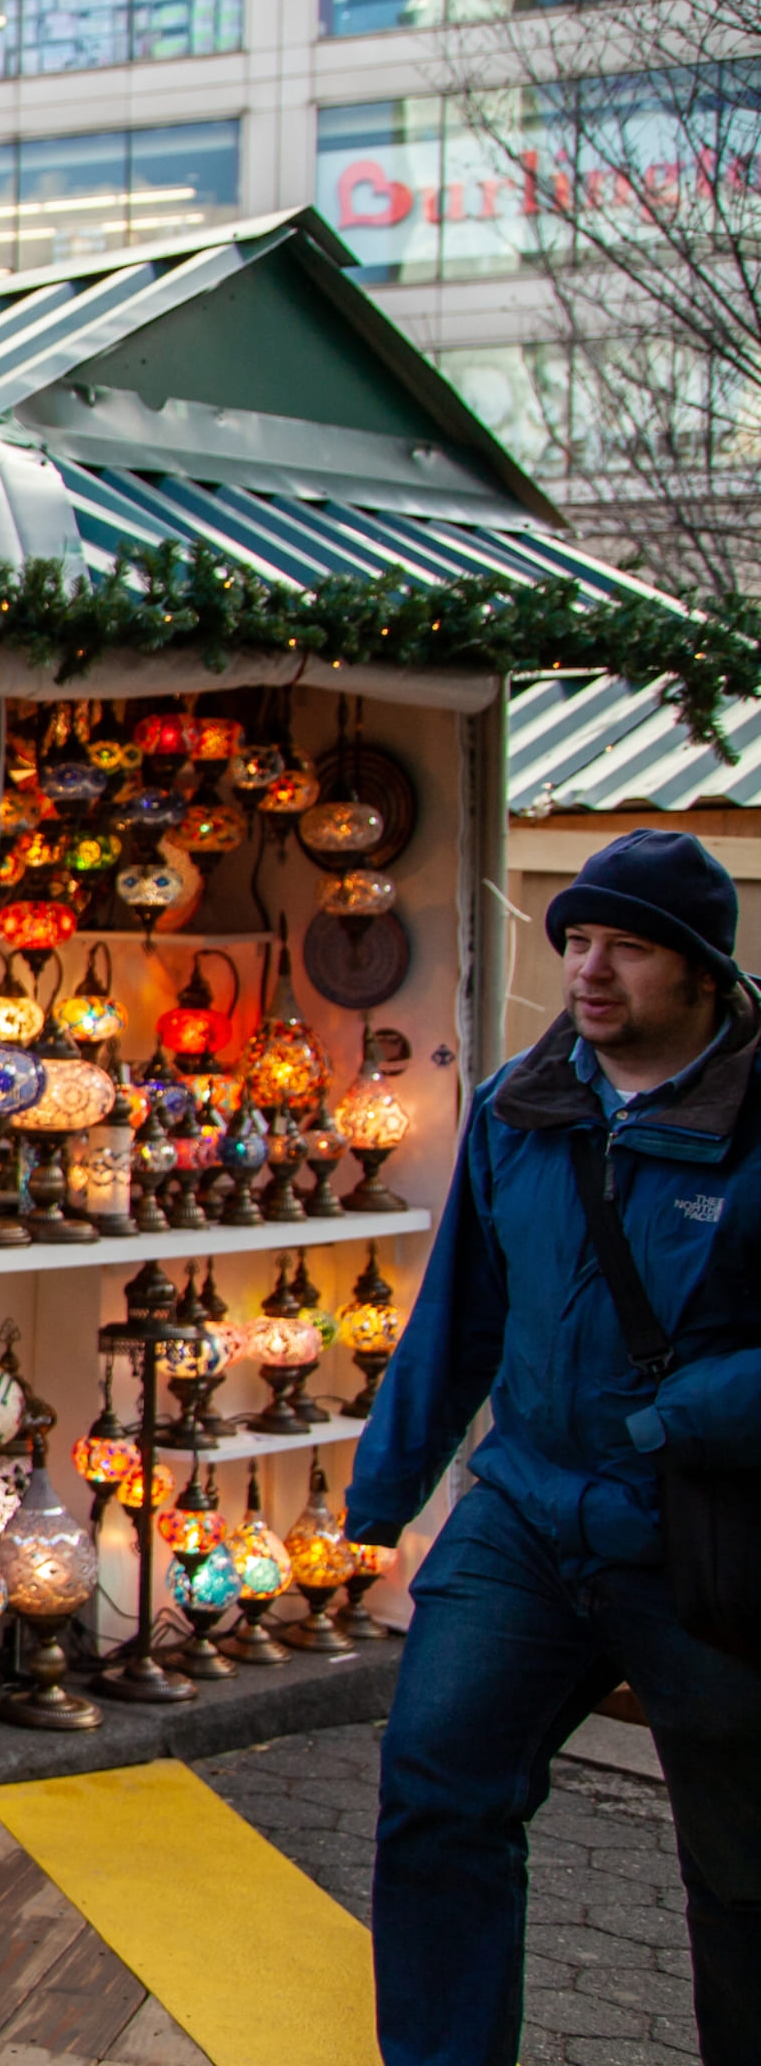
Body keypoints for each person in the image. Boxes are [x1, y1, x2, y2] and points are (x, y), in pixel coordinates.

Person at [350, 829, 761, 2064]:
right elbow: (460, 1314)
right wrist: (386, 1488)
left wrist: (676, 1419)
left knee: (741, 1869)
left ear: (701, 970)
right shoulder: (524, 1103)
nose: (590, 971)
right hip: (524, 1513)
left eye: (627, 947)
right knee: (436, 1796)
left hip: (702, 1531)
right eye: (577, 941)